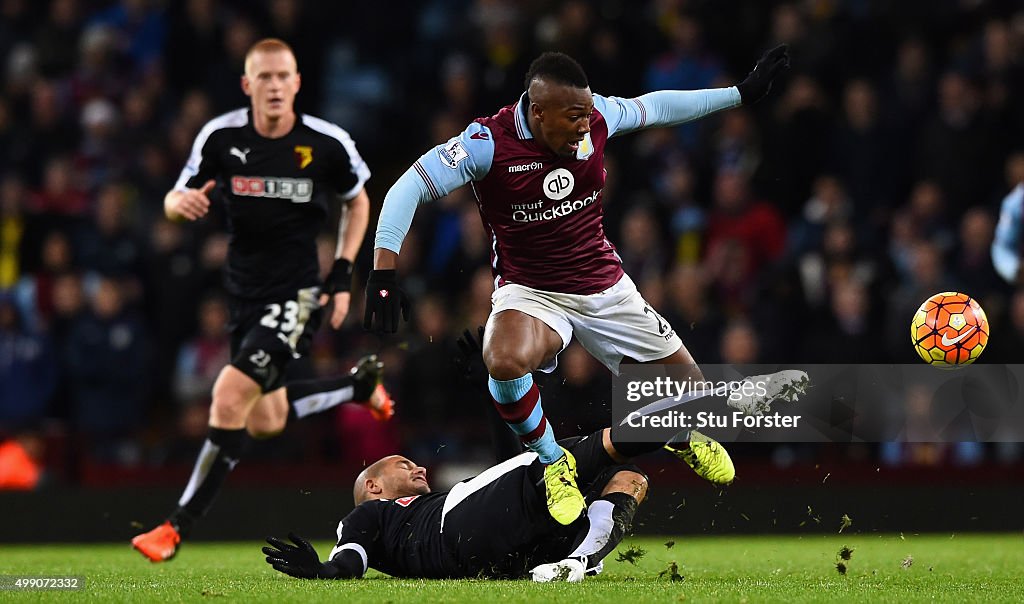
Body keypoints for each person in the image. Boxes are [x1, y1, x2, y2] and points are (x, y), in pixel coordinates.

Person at [363, 48, 789, 524]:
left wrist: (740, 94)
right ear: (537, 112)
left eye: (588, 115)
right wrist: (383, 271)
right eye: (573, 118)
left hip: (604, 285)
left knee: (695, 397)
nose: (585, 127)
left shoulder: (597, 117)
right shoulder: (487, 142)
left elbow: (661, 106)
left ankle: (680, 434)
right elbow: (409, 186)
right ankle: (552, 462)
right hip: (531, 291)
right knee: (501, 359)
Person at [132, 39, 394, 562]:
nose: (275, 86)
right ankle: (356, 387)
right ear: (248, 85)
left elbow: (359, 200)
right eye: (264, 78)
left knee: (229, 397)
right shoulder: (221, 136)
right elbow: (174, 198)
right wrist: (176, 203)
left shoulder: (326, 142)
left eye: (284, 77)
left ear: (297, 82)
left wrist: (341, 275)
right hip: (243, 295)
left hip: (298, 293)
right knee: (263, 419)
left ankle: (175, 525)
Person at [262, 424, 731, 582]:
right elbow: (351, 555)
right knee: (555, 454)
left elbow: (497, 474)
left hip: (506, 557)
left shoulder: (432, 502)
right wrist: (325, 571)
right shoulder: (371, 513)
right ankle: (662, 431)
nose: (418, 468)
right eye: (403, 465)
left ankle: (576, 561)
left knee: (627, 479)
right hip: (457, 534)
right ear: (374, 486)